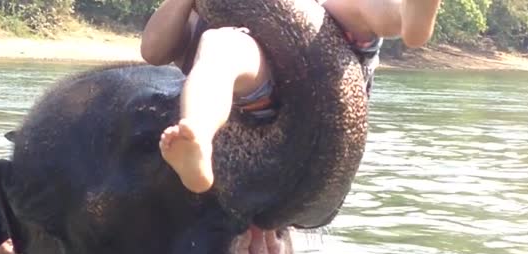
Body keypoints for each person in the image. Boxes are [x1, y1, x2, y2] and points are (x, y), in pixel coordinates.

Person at [141, 0, 442, 193]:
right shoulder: (210, 14)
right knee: (221, 47)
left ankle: (410, 15)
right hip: (260, 95)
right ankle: (197, 139)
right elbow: (153, 50)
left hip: (329, 62)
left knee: (358, 3)